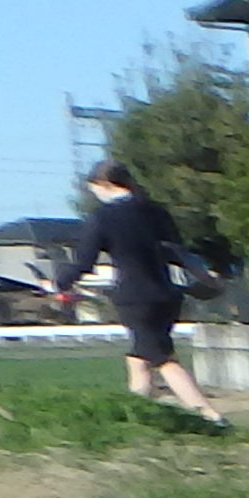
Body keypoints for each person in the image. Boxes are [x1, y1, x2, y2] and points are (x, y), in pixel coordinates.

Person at [62, 165, 223, 427]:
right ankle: (138, 417)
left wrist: (58, 283)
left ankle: (210, 416)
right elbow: (177, 251)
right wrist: (205, 276)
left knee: (163, 359)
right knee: (139, 358)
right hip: (167, 294)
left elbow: (83, 262)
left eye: (94, 190)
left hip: (134, 297)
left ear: (104, 185)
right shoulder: (156, 212)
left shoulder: (102, 217)